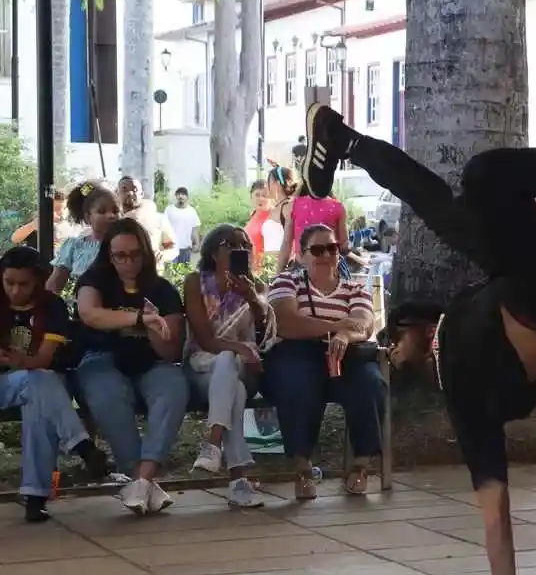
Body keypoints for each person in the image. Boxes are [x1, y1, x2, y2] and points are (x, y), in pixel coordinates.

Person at [302, 91, 536, 575]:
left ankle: (343, 141)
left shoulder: (459, 327)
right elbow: (494, 510)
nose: (395, 348)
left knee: (438, 203)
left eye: (397, 339)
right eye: (396, 346)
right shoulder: (466, 398)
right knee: (482, 176)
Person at [75, 218, 189, 515]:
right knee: (107, 394)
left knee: (174, 387)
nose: (128, 261)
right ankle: (143, 480)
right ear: (108, 255)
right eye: (119, 255)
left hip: (150, 362)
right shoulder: (94, 281)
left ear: (146, 253)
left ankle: (142, 479)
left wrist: (154, 327)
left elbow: (170, 350)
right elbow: (90, 314)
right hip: (101, 359)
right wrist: (140, 318)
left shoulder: (162, 290)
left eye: (135, 254)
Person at [263, 224, 386, 500]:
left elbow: (364, 325)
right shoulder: (287, 282)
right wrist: (339, 325)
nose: (325, 255)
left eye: (331, 248)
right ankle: (303, 469)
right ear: (302, 255)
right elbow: (286, 322)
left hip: (347, 356)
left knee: (371, 383)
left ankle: (361, 466)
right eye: (317, 249)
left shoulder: (355, 288)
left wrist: (344, 333)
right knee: (296, 382)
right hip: (298, 353)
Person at [0, 246, 109, 521]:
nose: (14, 290)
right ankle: (82, 447)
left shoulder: (51, 306)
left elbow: (44, 359)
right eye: (8, 282)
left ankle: (35, 498)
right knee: (41, 386)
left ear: (37, 279)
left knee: (39, 390)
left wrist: (22, 361)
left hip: (32, 378)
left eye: (23, 283)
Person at [183, 224, 271, 508]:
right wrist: (238, 348)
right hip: (202, 365)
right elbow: (205, 340)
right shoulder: (195, 282)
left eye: (245, 245)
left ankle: (213, 441)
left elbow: (263, 331)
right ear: (212, 251)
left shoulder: (256, 287)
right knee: (233, 383)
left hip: (246, 368)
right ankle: (239, 481)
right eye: (230, 244)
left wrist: (251, 298)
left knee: (230, 364)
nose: (239, 250)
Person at [47, 181, 122, 293]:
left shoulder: (128, 245)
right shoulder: (75, 246)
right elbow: (54, 286)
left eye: (116, 211)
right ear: (88, 217)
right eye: (101, 211)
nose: (111, 215)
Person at [119, 176, 177, 270]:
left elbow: (171, 246)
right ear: (117, 194)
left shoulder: (158, 218)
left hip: (152, 276)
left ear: (142, 194)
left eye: (134, 190)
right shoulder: (113, 221)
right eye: (124, 190)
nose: (130, 193)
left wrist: (162, 254)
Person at [11, 190, 78, 252]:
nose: (61, 212)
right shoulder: (37, 222)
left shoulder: (72, 226)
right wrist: (34, 224)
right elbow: (14, 238)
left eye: (64, 208)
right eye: (57, 209)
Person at [164, 187, 201, 265]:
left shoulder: (192, 211)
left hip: (186, 248)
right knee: (171, 274)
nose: (181, 196)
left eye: (183, 194)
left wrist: (197, 243)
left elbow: (195, 229)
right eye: (179, 194)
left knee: (184, 273)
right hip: (171, 248)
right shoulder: (169, 209)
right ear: (176, 196)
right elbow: (163, 228)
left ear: (187, 197)